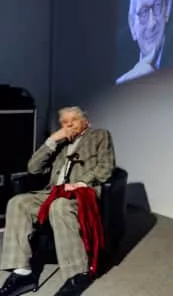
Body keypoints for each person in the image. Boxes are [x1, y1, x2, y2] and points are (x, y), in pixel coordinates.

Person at [0, 106, 116, 295]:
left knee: (59, 206)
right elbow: (33, 168)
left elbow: (106, 166)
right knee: (17, 203)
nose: (68, 125)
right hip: (54, 192)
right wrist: (52, 140)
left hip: (82, 194)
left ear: (85, 121)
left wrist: (81, 183)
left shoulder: (99, 135)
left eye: (73, 120)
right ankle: (22, 273)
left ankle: (77, 274)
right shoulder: (60, 143)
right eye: (64, 122)